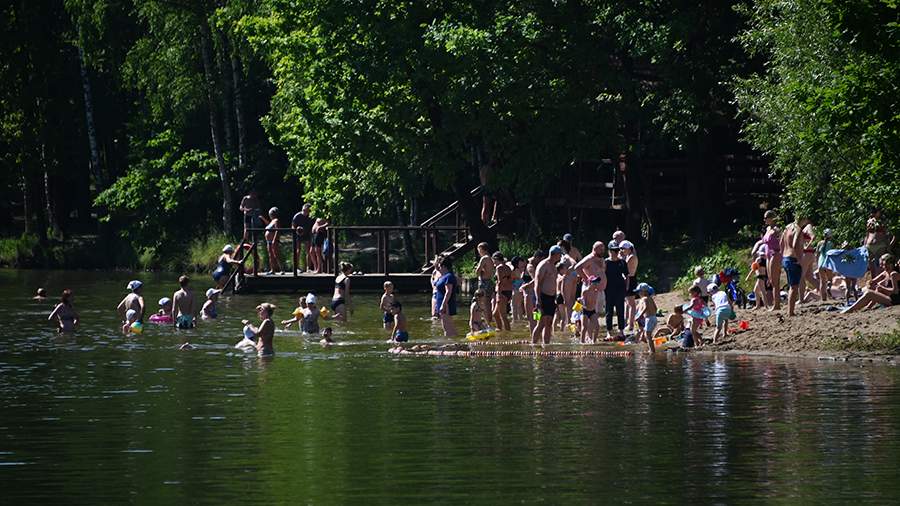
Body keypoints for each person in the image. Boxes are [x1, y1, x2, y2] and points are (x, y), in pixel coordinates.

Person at [532, 245, 563, 346]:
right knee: (540, 324)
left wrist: (555, 298)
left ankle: (546, 345)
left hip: (550, 298)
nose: (560, 257)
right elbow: (537, 284)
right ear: (554, 254)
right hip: (542, 297)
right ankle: (534, 345)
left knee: (549, 323)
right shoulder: (543, 265)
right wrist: (538, 300)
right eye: (559, 255)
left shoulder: (553, 266)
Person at [781, 214, 811, 316]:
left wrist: (783, 254)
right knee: (794, 287)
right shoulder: (798, 229)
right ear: (803, 219)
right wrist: (800, 259)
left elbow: (781, 242)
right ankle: (790, 312)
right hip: (793, 259)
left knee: (791, 286)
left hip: (785, 258)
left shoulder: (787, 227)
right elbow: (794, 245)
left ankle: (790, 310)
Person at [603, 240, 628, 341]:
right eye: (614, 250)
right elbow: (602, 275)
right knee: (609, 311)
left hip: (620, 289)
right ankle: (609, 332)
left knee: (620, 310)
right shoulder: (606, 262)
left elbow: (627, 275)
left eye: (617, 250)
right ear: (609, 251)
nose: (616, 252)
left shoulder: (622, 262)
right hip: (608, 289)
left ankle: (621, 331)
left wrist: (626, 287)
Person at [761, 210, 783, 310]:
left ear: (771, 218)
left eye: (766, 217)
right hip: (768, 255)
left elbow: (782, 242)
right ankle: (775, 303)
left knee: (775, 280)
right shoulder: (768, 228)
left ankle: (777, 304)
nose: (764, 219)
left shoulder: (777, 230)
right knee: (769, 279)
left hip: (775, 253)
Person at [434, 257, 458, 337]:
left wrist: (443, 304)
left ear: (444, 266)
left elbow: (448, 291)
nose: (439, 268)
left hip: (446, 304)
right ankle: (452, 340)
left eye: (440, 267)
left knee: (447, 326)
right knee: (446, 325)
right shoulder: (443, 276)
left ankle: (450, 342)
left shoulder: (449, 276)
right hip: (442, 303)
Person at [620, 240, 639, 332]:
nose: (622, 250)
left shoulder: (631, 257)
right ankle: (629, 322)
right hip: (629, 280)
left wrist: (621, 257)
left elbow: (624, 267)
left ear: (629, 249)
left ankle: (631, 324)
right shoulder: (629, 256)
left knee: (631, 304)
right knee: (628, 302)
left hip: (630, 280)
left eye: (623, 249)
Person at [475, 243, 495, 325]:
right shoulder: (490, 258)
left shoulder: (484, 258)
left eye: (479, 250)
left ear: (482, 249)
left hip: (484, 282)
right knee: (488, 303)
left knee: (483, 303)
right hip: (490, 281)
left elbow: (477, 271)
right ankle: (490, 321)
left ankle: (487, 323)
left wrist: (478, 272)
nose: (478, 252)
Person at [634, 283, 658, 353]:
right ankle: (648, 347)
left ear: (644, 291)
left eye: (639, 291)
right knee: (646, 335)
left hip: (649, 319)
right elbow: (655, 308)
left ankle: (652, 351)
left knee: (648, 335)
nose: (638, 293)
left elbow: (645, 307)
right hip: (654, 318)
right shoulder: (650, 298)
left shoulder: (644, 299)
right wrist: (652, 313)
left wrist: (640, 315)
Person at [291, 203, 315, 272]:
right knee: (298, 250)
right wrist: (297, 230)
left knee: (308, 251)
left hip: (307, 234)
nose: (305, 212)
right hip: (298, 235)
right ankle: (296, 267)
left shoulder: (311, 217)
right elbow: (293, 226)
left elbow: (312, 226)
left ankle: (308, 268)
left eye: (306, 210)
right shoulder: (297, 216)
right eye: (304, 210)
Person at [493, 252, 513, 331]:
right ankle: (499, 329)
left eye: (493, 260)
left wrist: (498, 294)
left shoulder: (499, 268)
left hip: (502, 292)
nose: (493, 262)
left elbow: (499, 281)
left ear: (496, 259)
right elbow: (510, 280)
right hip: (508, 291)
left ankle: (507, 333)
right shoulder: (507, 267)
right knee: (495, 314)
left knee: (503, 316)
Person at [260, 207, 283, 275]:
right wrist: (263, 218)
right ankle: (272, 269)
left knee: (276, 255)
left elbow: (277, 230)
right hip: (268, 241)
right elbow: (268, 224)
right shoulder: (272, 221)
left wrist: (274, 240)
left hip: (273, 241)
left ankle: (282, 269)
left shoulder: (276, 220)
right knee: (271, 256)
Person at [580, 276, 602, 344]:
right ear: (590, 283)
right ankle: (582, 343)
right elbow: (582, 302)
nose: (596, 284)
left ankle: (594, 341)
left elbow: (595, 303)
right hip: (585, 311)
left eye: (597, 282)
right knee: (584, 328)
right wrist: (580, 301)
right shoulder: (585, 292)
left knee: (597, 327)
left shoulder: (596, 292)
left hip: (592, 311)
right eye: (594, 282)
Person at [816, 229, 836, 301]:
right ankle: (828, 288)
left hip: (820, 262)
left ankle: (823, 298)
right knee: (830, 279)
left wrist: (817, 263)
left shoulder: (819, 243)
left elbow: (817, 254)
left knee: (822, 281)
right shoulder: (831, 244)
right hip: (828, 262)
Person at [510, 256, 526, 321]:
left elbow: (512, 280)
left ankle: (515, 320)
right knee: (519, 306)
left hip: (516, 289)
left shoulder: (515, 270)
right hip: (519, 289)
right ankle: (520, 319)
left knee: (514, 306)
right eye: (520, 262)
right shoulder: (520, 270)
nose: (522, 263)